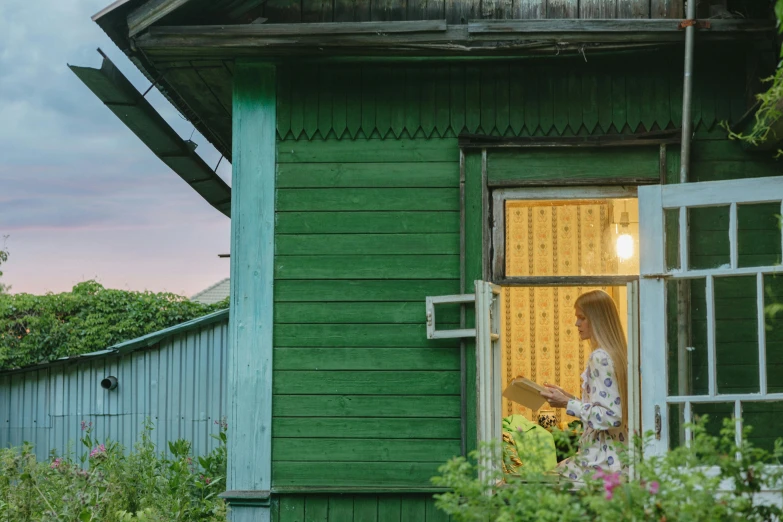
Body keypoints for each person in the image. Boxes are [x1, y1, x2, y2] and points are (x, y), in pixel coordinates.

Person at [539, 289, 628, 481]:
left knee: (546, 485)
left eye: (582, 318)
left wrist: (567, 404)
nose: (576, 323)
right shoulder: (617, 355)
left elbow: (612, 417)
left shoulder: (600, 357)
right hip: (617, 457)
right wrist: (568, 397)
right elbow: (606, 406)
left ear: (597, 320)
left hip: (603, 460)